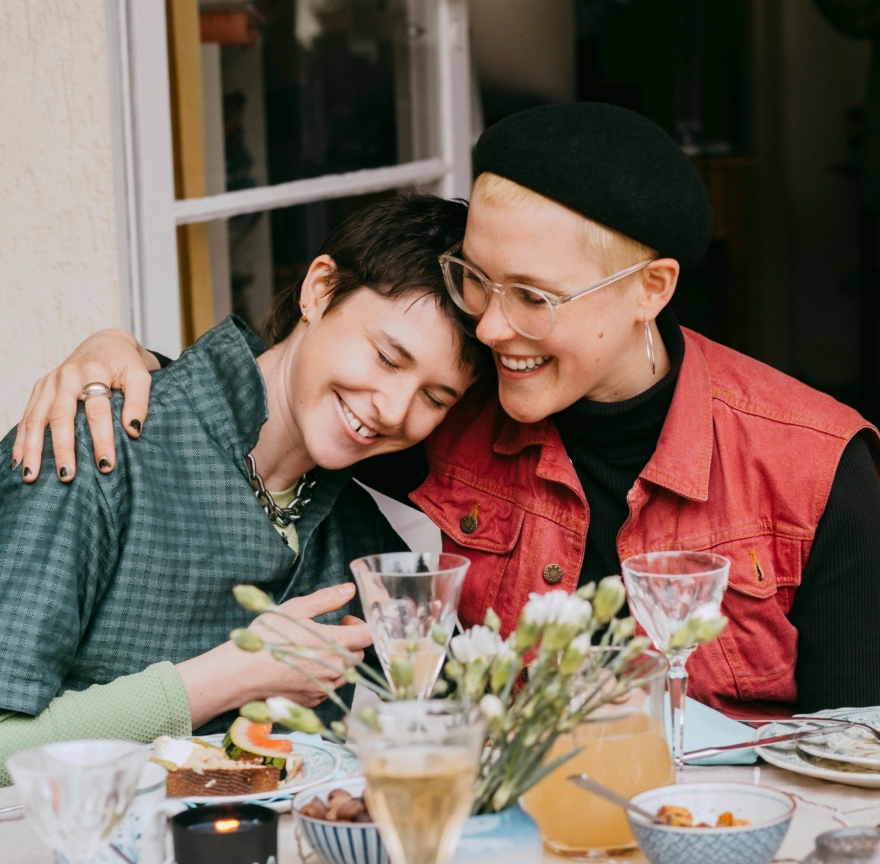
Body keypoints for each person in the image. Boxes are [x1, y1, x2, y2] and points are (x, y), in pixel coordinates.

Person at [17, 104, 880, 718]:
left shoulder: (817, 467)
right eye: (477, 278)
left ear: (651, 290)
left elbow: (857, 763)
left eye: (534, 297)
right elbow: (279, 408)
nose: (492, 328)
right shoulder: (445, 414)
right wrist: (123, 360)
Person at [0, 194, 479, 783]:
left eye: (435, 398)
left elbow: (469, 720)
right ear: (319, 289)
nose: (394, 410)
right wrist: (230, 677)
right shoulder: (91, 444)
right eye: (386, 357)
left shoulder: (359, 534)